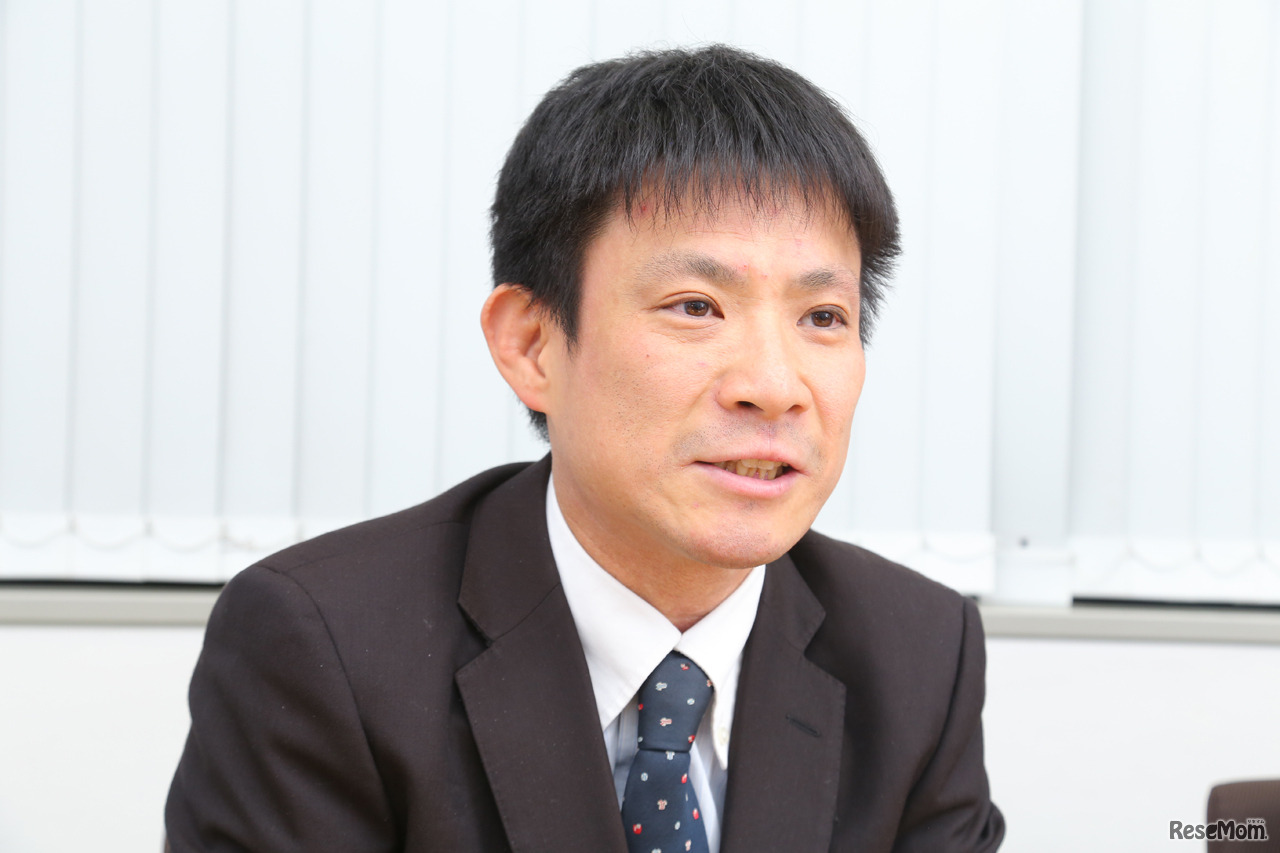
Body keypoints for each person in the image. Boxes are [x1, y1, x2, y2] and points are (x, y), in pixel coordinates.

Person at [165, 45, 1004, 852]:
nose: (774, 386)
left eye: (823, 317)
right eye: (696, 306)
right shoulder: (325, 647)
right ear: (532, 344)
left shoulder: (919, 654)